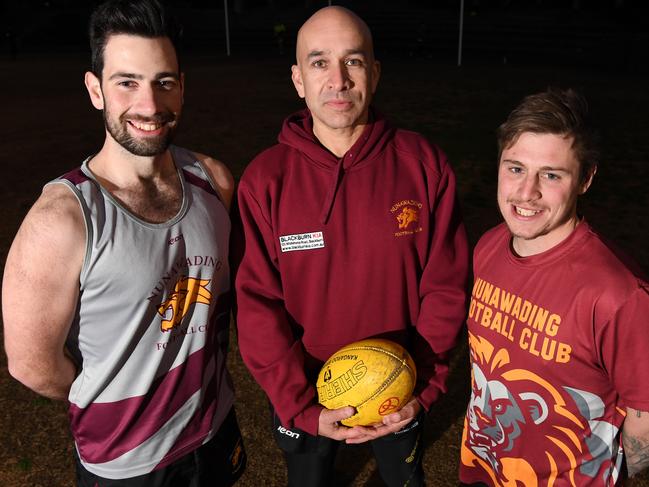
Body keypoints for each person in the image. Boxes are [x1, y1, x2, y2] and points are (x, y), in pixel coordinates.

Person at [2, 1, 246, 485]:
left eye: (164, 82)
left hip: (214, 428)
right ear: (96, 90)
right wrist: (115, 393)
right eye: (127, 82)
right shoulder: (62, 219)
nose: (150, 106)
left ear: (181, 87)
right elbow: (32, 366)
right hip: (125, 460)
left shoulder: (213, 180)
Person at [234, 6, 469, 486]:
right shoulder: (266, 179)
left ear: (375, 73)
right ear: (298, 79)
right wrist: (298, 404)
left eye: (353, 61)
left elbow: (446, 287)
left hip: (398, 389)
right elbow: (257, 305)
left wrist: (421, 389)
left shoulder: (423, 164)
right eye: (319, 63)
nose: (337, 80)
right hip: (307, 393)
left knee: (402, 480)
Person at [459, 88, 649, 486]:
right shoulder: (489, 245)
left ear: (585, 179)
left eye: (550, 175)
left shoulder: (619, 293)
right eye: (515, 169)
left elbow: (643, 417)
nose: (526, 193)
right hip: (482, 469)